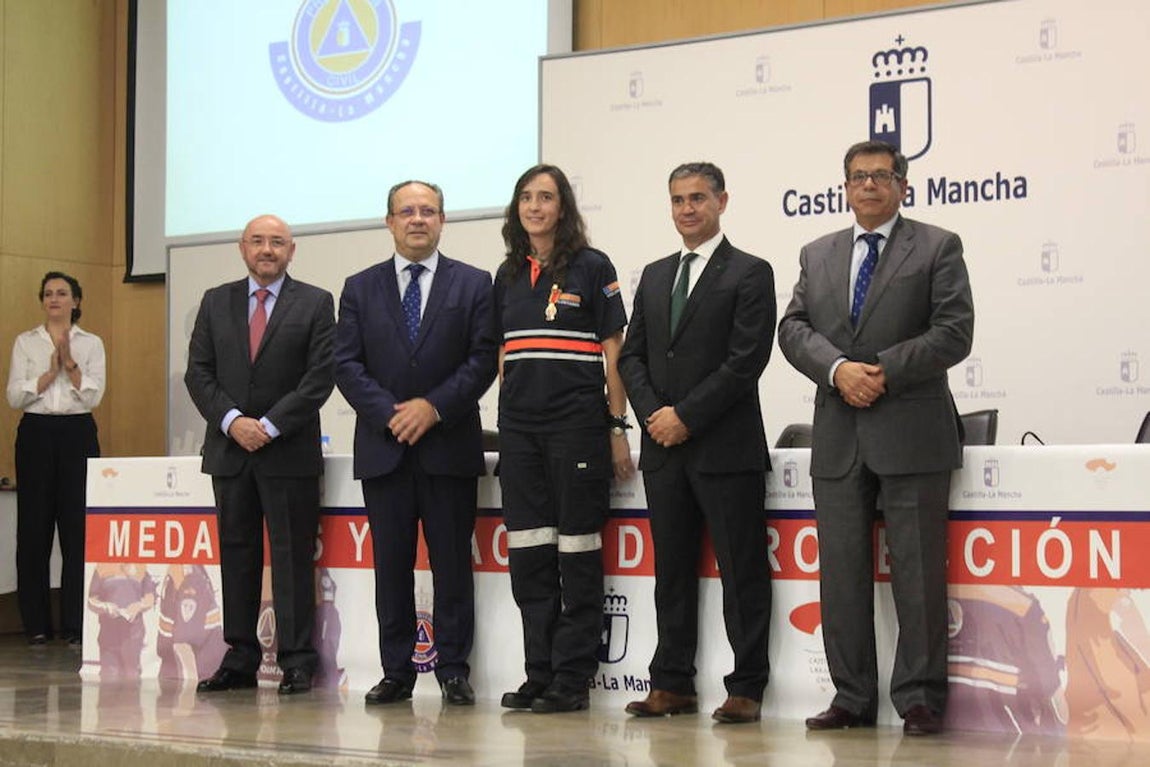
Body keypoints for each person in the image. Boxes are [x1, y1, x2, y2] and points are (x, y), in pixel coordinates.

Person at [778, 140, 974, 736]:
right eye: (857, 177)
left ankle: (919, 699)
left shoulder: (938, 245)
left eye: (881, 176)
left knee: (917, 576)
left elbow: (954, 331)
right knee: (839, 575)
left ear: (902, 185)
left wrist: (883, 369)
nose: (868, 186)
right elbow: (793, 328)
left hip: (911, 432)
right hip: (839, 437)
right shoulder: (819, 252)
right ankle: (852, 698)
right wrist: (838, 371)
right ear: (845, 187)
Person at [618, 162, 776, 725]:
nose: (688, 209)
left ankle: (747, 686)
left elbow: (746, 361)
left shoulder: (751, 272)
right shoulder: (657, 274)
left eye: (698, 198)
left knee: (742, 570)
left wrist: (686, 416)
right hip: (663, 450)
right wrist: (654, 416)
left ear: (722, 201)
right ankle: (672, 684)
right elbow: (630, 355)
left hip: (724, 449)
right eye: (679, 200)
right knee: (672, 572)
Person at [334, 180, 497, 706]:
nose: (418, 219)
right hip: (385, 450)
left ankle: (453, 668)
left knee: (452, 565)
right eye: (407, 211)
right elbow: (346, 364)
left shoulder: (474, 284)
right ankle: (396, 672)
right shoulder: (359, 287)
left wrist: (434, 407)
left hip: (448, 445)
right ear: (389, 222)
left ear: (443, 220)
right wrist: (390, 413)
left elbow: (481, 358)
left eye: (428, 211)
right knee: (391, 567)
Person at [494, 164, 633, 713]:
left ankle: (571, 679)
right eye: (526, 197)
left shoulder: (592, 267)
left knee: (576, 553)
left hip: (577, 430)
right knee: (528, 554)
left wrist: (618, 427)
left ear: (563, 207)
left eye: (545, 197)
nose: (535, 206)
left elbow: (614, 352)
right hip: (520, 434)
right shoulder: (505, 274)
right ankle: (539, 673)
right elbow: (501, 355)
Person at [184, 214, 335, 695]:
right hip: (231, 451)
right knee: (237, 554)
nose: (266, 250)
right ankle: (241, 656)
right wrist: (233, 422)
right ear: (241, 248)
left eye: (276, 242)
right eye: (257, 241)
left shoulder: (315, 302)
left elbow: (319, 378)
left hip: (287, 450)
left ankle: (296, 658)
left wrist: (268, 425)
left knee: (292, 557)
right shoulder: (215, 301)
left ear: (292, 250)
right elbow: (199, 373)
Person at [6, 271, 105, 646]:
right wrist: (48, 374)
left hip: (77, 433)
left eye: (62, 293)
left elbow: (94, 396)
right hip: (36, 433)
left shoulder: (92, 343)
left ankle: (77, 625)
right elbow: (14, 396)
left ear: (76, 301)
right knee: (33, 528)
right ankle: (36, 624)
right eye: (48, 293)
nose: (54, 299)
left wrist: (70, 365)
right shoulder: (25, 342)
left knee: (77, 528)